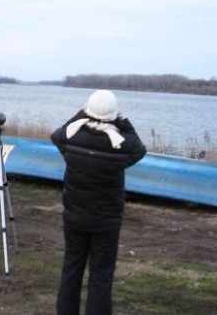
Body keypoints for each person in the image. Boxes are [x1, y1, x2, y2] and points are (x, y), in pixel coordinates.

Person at [51, 89, 146, 315]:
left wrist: (81, 114)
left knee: (71, 270)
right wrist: (122, 121)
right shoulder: (121, 145)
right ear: (114, 114)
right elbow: (139, 149)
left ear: (87, 109)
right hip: (107, 221)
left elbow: (57, 135)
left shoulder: (71, 137)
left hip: (74, 216)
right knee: (101, 276)